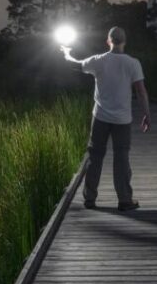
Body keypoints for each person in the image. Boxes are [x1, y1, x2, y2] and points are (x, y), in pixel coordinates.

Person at [63, 26, 150, 210]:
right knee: (122, 158)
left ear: (108, 41)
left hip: (100, 117)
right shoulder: (133, 63)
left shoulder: (98, 61)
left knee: (95, 157)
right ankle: (125, 200)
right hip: (123, 120)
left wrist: (66, 53)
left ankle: (90, 199)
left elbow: (74, 64)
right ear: (124, 42)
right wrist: (146, 114)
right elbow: (141, 92)